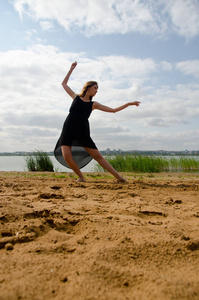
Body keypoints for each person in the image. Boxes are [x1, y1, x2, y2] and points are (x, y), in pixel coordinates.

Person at [54, 61, 141, 182]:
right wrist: (71, 69)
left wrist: (128, 104)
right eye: (95, 88)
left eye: (97, 89)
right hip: (68, 129)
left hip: (82, 131)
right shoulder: (76, 97)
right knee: (67, 157)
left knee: (97, 156)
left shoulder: (93, 104)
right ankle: (81, 177)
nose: (96, 90)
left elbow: (113, 110)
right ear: (88, 88)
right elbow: (64, 84)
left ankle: (119, 177)